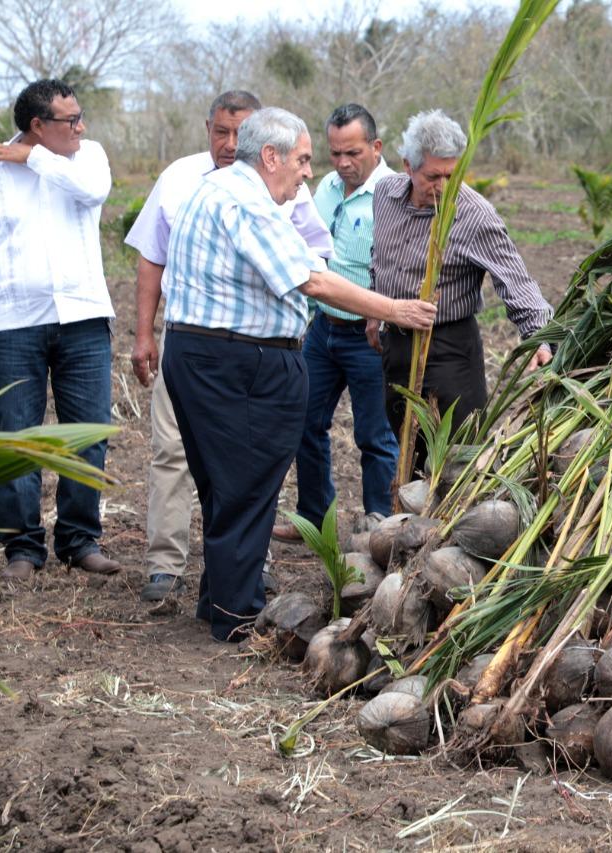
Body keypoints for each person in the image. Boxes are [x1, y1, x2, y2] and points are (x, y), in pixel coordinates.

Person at [162, 107, 436, 642]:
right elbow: (310, 279)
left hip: (203, 354)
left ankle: (218, 599)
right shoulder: (247, 200)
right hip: (237, 361)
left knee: (224, 484)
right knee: (245, 485)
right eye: (304, 160)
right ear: (271, 156)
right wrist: (393, 309)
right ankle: (238, 616)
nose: (310, 172)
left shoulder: (214, 187)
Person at [127, 91, 332, 602]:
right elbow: (152, 256)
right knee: (181, 454)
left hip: (246, 342)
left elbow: (316, 256)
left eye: (240, 132)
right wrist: (145, 332)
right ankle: (168, 566)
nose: (230, 142)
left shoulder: (286, 190)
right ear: (208, 128)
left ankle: (236, 575)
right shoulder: (184, 179)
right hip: (199, 340)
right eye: (222, 131)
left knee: (240, 471)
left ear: (260, 142)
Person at [0, 78, 119, 581]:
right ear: (37, 126)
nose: (81, 126)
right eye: (70, 120)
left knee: (88, 435)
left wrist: (33, 159)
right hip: (16, 323)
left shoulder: (89, 157)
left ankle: (80, 540)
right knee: (19, 437)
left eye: (81, 116)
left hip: (82, 318)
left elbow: (93, 192)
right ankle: (22, 549)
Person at [369, 109, 553, 464]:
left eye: (451, 175)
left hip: (448, 352)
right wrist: (375, 313)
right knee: (407, 449)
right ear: (408, 167)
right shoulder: (385, 194)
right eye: (432, 176)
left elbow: (516, 281)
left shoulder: (474, 214)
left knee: (456, 458)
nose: (442, 186)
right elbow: (379, 257)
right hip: (396, 347)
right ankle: (407, 518)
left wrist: (539, 338)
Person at [272, 104, 397, 543]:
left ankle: (378, 530)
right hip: (323, 328)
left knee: (374, 434)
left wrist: (381, 312)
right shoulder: (323, 186)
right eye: (335, 153)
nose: (343, 163)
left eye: (353, 153)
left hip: (369, 335)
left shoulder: (394, 193)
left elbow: (402, 260)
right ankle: (315, 524)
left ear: (376, 147)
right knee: (304, 421)